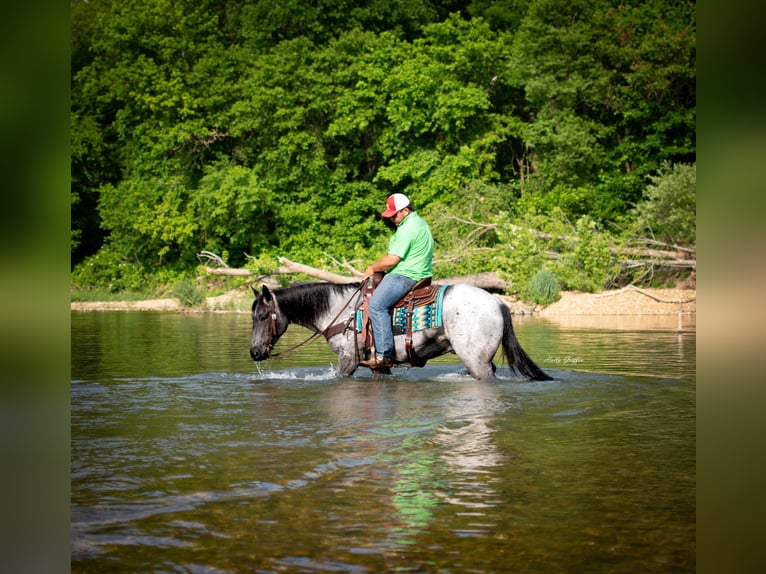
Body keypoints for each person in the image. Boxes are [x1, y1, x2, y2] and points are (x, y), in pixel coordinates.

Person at [361, 193, 434, 368]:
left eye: (394, 215)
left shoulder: (408, 227)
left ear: (405, 211)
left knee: (376, 306)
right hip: (421, 274)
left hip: (405, 275)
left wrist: (372, 268)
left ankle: (384, 355)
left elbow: (392, 259)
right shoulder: (420, 223)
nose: (392, 219)